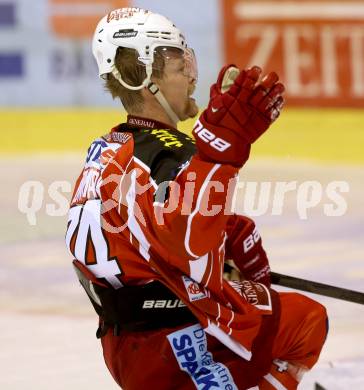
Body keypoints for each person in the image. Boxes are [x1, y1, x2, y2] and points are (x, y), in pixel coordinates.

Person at [66, 7, 328, 389]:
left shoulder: (108, 148)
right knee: (308, 320)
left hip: (122, 345)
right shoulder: (173, 154)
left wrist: (229, 253)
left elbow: (148, 235)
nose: (191, 75)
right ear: (142, 78)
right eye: (178, 66)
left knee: (262, 307)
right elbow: (189, 244)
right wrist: (218, 159)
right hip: (173, 342)